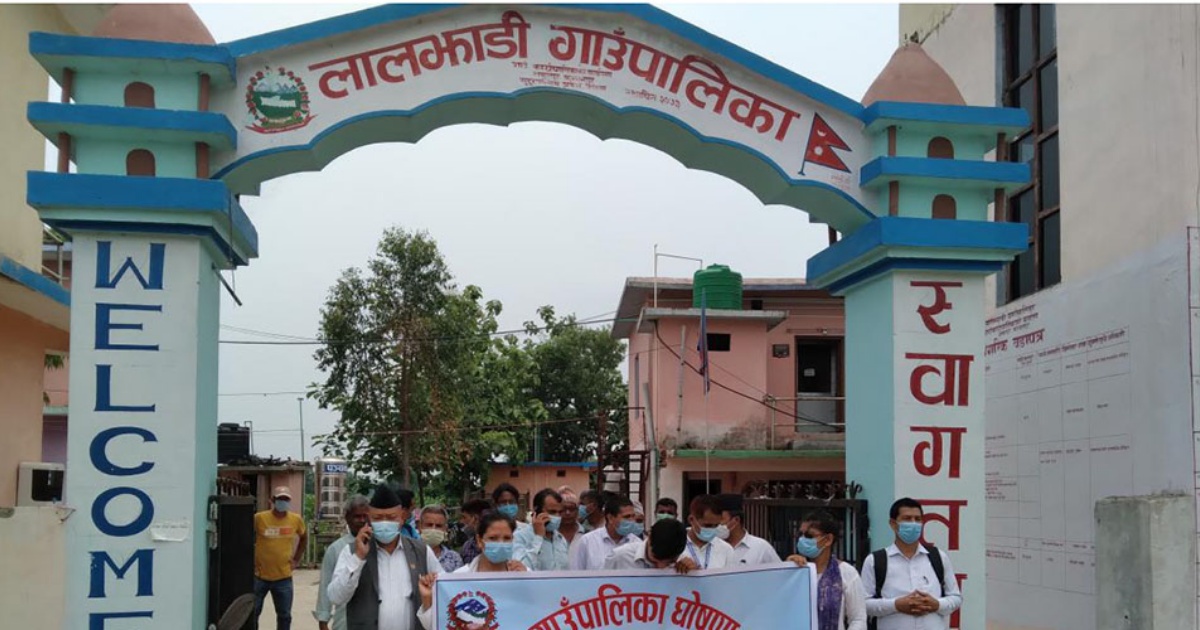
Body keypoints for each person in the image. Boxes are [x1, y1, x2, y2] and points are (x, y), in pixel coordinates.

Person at [328, 484, 443, 630]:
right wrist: (358, 558)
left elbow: (443, 591)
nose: (384, 523)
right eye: (378, 518)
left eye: (391, 517)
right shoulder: (352, 551)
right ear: (369, 519)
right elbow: (336, 597)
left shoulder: (421, 551)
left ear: (402, 517)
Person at [861, 498, 961, 630]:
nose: (913, 523)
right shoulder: (875, 561)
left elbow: (955, 598)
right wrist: (896, 605)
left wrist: (936, 604)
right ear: (893, 524)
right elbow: (863, 604)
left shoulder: (938, 557)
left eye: (918, 519)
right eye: (907, 519)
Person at [789, 511, 867, 630]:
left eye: (809, 536)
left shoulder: (846, 573)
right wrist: (787, 570)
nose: (802, 539)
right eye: (801, 534)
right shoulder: (794, 570)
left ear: (828, 539)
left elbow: (858, 619)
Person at [253, 486, 308, 630]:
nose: (283, 502)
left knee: (284, 616)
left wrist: (296, 559)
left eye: (286, 499)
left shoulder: (295, 519)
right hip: (259, 576)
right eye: (280, 499)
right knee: (253, 613)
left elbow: (304, 537)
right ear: (272, 500)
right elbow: (245, 536)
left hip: (283, 577)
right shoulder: (259, 518)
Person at [315, 495, 370, 630]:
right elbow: (326, 585)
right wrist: (323, 621)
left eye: (365, 516)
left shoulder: (377, 546)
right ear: (347, 518)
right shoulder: (336, 549)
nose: (362, 521)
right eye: (357, 516)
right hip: (344, 621)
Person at [569, 494, 641, 570]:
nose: (632, 521)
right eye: (626, 517)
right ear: (610, 518)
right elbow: (576, 572)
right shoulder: (587, 542)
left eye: (633, 516)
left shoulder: (637, 544)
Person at [453, 511, 530, 573]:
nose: (501, 543)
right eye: (493, 538)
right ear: (479, 540)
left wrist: (524, 580)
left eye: (507, 538)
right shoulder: (460, 577)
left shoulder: (524, 573)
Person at [716, 493, 781, 566]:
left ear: (736, 520)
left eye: (720, 519)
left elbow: (780, 571)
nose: (716, 525)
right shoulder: (712, 547)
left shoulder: (761, 547)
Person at [514, 487, 570, 570]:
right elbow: (521, 568)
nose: (557, 516)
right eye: (552, 512)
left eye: (560, 512)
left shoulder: (560, 539)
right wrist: (538, 537)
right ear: (537, 511)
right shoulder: (520, 537)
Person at [603, 518, 690, 570]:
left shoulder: (684, 562)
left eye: (670, 563)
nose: (661, 567)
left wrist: (692, 574)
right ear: (649, 537)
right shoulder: (620, 557)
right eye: (655, 559)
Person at [678, 495, 734, 571]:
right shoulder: (674, 545)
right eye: (708, 525)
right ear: (691, 520)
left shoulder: (726, 549)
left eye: (716, 525)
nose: (712, 529)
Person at [418, 504, 463, 572]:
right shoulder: (409, 555)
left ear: (445, 529)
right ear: (420, 527)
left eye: (438, 526)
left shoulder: (454, 559)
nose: (433, 529)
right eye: (429, 525)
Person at [457, 498, 491, 564]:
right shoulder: (467, 546)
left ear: (475, 518)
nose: (462, 521)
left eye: (464, 517)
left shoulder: (496, 545)